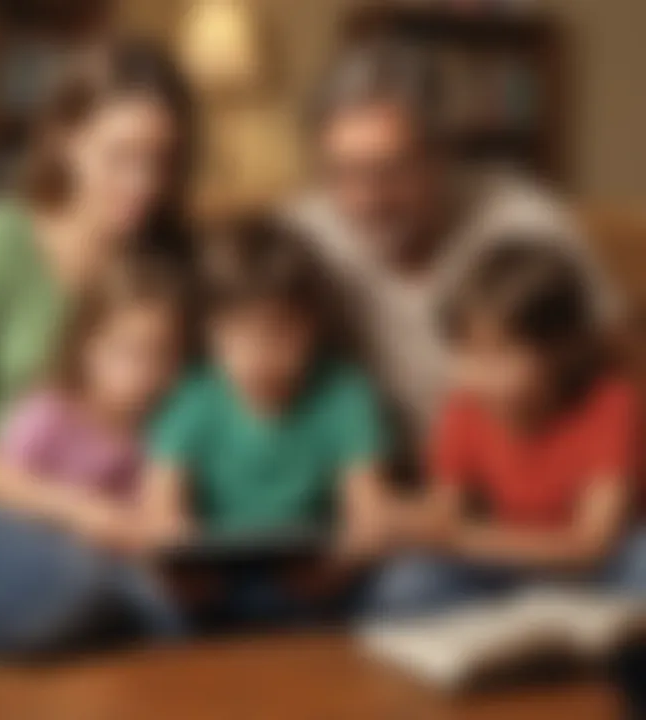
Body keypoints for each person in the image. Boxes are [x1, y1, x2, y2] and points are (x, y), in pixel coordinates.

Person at [0, 39, 195, 654]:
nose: (143, 183)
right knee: (64, 587)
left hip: (101, 524)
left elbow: (184, 416)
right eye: (120, 156)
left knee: (168, 621)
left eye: (161, 160)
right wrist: (71, 510)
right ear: (67, 140)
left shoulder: (163, 267)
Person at [288, 41, 618, 477]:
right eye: (342, 173)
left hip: (522, 483)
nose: (366, 200)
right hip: (377, 483)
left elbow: (614, 364)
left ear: (441, 157)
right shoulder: (304, 237)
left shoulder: (526, 225)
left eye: (390, 170)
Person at [363, 240, 645, 618]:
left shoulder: (611, 405)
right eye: (465, 353)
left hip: (600, 569)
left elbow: (592, 544)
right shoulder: (465, 406)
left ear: (562, 351)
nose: (477, 375)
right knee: (408, 583)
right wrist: (395, 519)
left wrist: (463, 538)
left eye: (501, 354)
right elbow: (445, 509)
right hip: (504, 561)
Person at [148, 215, 389, 628]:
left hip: (312, 577)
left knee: (401, 587)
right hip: (218, 582)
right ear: (210, 333)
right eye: (238, 332)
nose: (259, 353)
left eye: (280, 331)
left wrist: (337, 568)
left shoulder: (342, 393)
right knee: (156, 605)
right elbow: (159, 507)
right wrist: (178, 564)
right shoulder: (194, 397)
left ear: (311, 325)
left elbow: (370, 511)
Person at [0, 256, 189, 637]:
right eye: (130, 352)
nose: (147, 373)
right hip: (47, 571)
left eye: (163, 355)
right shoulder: (45, 417)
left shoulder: (166, 424)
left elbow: (158, 516)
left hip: (131, 571)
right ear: (87, 346)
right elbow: (0, 507)